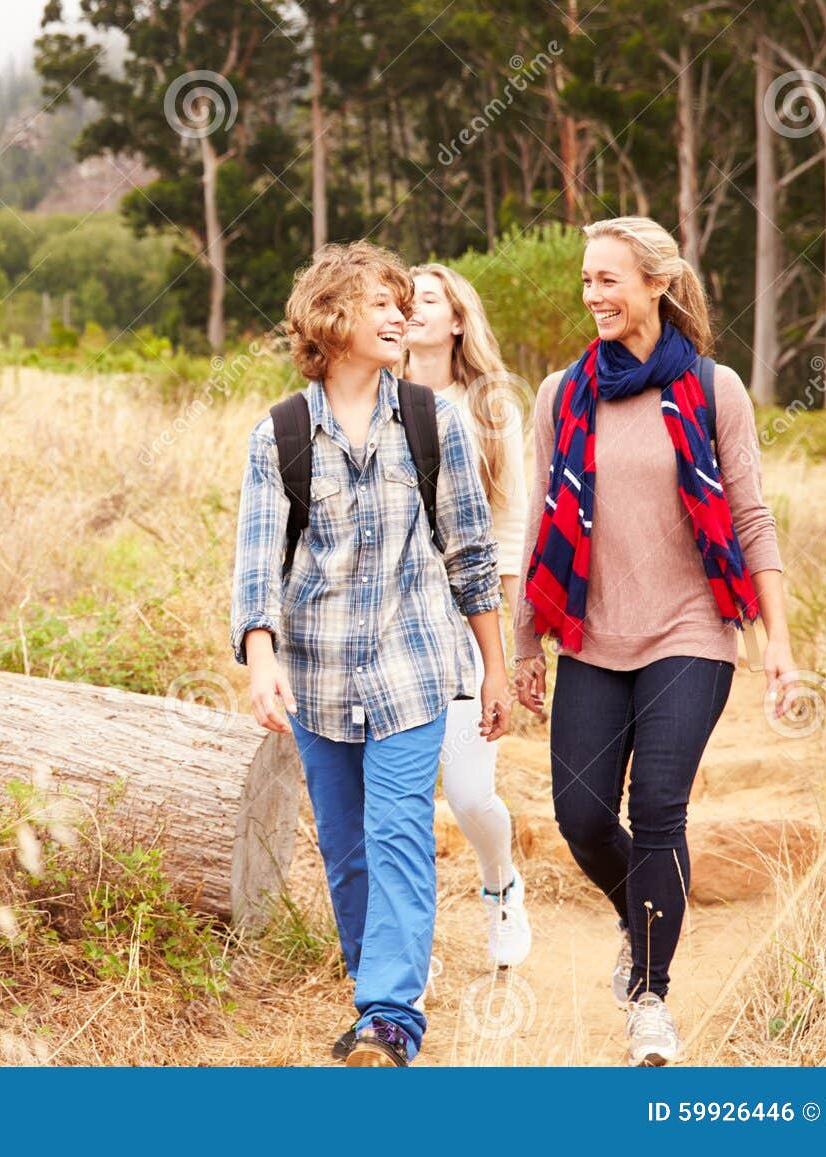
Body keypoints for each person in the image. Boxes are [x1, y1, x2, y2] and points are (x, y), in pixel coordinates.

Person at [511, 217, 796, 1066]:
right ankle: (643, 925)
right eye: (586, 280)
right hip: (592, 635)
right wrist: (526, 641)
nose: (593, 295)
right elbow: (538, 519)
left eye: (608, 279)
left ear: (656, 285)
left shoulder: (714, 389)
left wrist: (778, 641)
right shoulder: (563, 393)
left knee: (659, 805)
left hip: (692, 629)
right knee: (582, 815)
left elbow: (750, 517)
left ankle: (651, 1001)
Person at [230, 241, 513, 1067]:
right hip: (316, 673)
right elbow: (258, 561)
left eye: (404, 303)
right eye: (380, 304)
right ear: (330, 321)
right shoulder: (279, 433)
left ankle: (391, 1016)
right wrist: (260, 656)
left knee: (397, 832)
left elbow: (469, 550)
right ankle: (374, 994)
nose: (400, 316)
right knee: (347, 847)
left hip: (414, 667)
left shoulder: (435, 421)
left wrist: (493, 666)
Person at [402, 262, 532, 968]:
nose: (415, 310)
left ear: (457, 320)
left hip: (465, 620)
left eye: (430, 300)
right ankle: (403, 949)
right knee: (401, 797)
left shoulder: (490, 410)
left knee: (472, 793)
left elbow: (509, 528)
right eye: (407, 301)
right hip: (392, 625)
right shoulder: (378, 397)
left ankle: (501, 884)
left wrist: (503, 657)